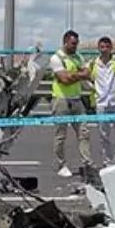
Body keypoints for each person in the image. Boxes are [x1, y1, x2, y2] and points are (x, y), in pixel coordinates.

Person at [49, 30, 93, 177]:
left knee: (84, 133)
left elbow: (88, 73)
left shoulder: (78, 57)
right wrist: (80, 75)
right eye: (73, 43)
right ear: (65, 42)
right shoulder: (57, 58)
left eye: (76, 44)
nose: (75, 46)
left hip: (76, 99)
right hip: (61, 100)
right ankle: (61, 164)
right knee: (60, 136)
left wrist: (74, 75)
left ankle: (87, 163)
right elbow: (64, 80)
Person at [87, 36, 115, 167]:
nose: (105, 49)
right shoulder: (92, 63)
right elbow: (85, 76)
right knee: (104, 137)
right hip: (101, 104)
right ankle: (108, 162)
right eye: (102, 47)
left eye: (107, 47)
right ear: (98, 48)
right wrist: (90, 87)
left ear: (111, 48)